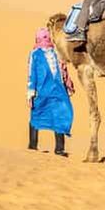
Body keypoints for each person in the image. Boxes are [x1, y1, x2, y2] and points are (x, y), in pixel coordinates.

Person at [27, 27, 75, 155]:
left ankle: (59, 149)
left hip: (57, 90)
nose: (45, 40)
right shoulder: (35, 54)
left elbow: (63, 70)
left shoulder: (56, 53)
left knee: (59, 115)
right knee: (36, 114)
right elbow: (32, 74)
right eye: (44, 37)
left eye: (46, 37)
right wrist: (31, 92)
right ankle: (32, 145)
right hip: (41, 90)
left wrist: (67, 85)